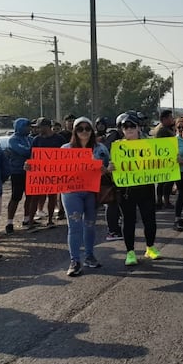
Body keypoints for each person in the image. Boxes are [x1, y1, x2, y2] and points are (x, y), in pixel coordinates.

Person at [57, 117, 111, 276]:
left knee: (89, 224)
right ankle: (74, 260)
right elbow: (53, 169)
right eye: (80, 129)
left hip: (92, 191)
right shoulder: (65, 149)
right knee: (74, 226)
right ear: (75, 131)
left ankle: (89, 256)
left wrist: (106, 169)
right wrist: (33, 167)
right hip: (71, 192)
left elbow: (108, 167)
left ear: (92, 130)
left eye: (87, 128)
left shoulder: (100, 148)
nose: (84, 132)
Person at [115, 112, 161, 265]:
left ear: (138, 127)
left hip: (145, 187)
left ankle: (150, 248)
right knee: (128, 221)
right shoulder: (118, 147)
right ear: (121, 129)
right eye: (125, 126)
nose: (128, 129)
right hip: (126, 190)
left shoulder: (149, 144)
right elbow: (111, 166)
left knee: (150, 219)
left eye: (131, 126)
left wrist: (170, 161)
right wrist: (111, 167)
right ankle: (130, 252)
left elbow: (160, 160)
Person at [28, 118, 65, 228]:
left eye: (39, 127)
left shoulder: (59, 139)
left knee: (52, 196)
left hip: (54, 172)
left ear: (46, 127)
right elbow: (32, 155)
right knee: (35, 197)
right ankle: (30, 222)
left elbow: (65, 154)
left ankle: (50, 220)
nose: (38, 129)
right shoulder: (36, 140)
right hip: (39, 173)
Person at [5, 118, 33, 234]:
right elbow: (25, 152)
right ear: (20, 126)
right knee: (16, 197)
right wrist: (33, 150)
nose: (29, 128)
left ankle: (26, 219)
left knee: (30, 195)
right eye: (27, 126)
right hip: (17, 171)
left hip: (30, 171)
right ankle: (9, 222)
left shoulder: (30, 138)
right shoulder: (13, 140)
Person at [153, 109, 176, 209]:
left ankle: (160, 201)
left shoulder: (165, 128)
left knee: (163, 182)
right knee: (166, 182)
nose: (172, 119)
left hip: (165, 158)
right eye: (170, 117)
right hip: (164, 159)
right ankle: (164, 201)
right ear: (164, 119)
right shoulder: (162, 130)